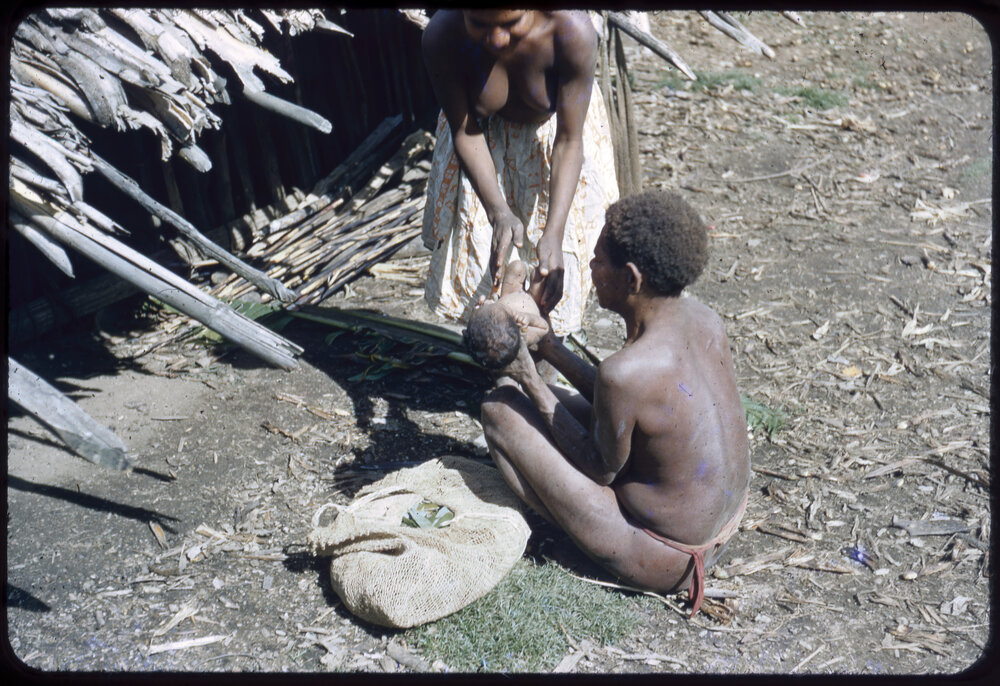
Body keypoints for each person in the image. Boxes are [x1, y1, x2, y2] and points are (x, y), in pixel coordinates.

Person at [479, 190, 750, 617]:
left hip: (665, 556)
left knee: (501, 409)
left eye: (599, 260)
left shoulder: (626, 372)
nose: (591, 266)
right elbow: (633, 406)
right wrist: (550, 347)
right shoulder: (705, 320)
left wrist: (527, 375)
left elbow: (599, 468)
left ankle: (570, 534)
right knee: (553, 403)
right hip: (719, 529)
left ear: (631, 279)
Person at [420, 9, 618, 339]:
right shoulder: (443, 35)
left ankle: (547, 353)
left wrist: (554, 231)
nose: (497, 39)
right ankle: (498, 355)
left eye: (512, 23)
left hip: (557, 148)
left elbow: (569, 141)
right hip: (481, 149)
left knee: (549, 276)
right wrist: (497, 211)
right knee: (491, 276)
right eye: (479, 23)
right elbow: (465, 132)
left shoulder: (571, 31)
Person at [463, 260, 548, 370]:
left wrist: (477, 310)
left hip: (507, 295)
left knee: (516, 267)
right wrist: (529, 318)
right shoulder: (521, 334)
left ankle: (489, 305)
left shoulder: (500, 331)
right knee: (538, 277)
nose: (484, 301)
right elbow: (544, 328)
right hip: (532, 300)